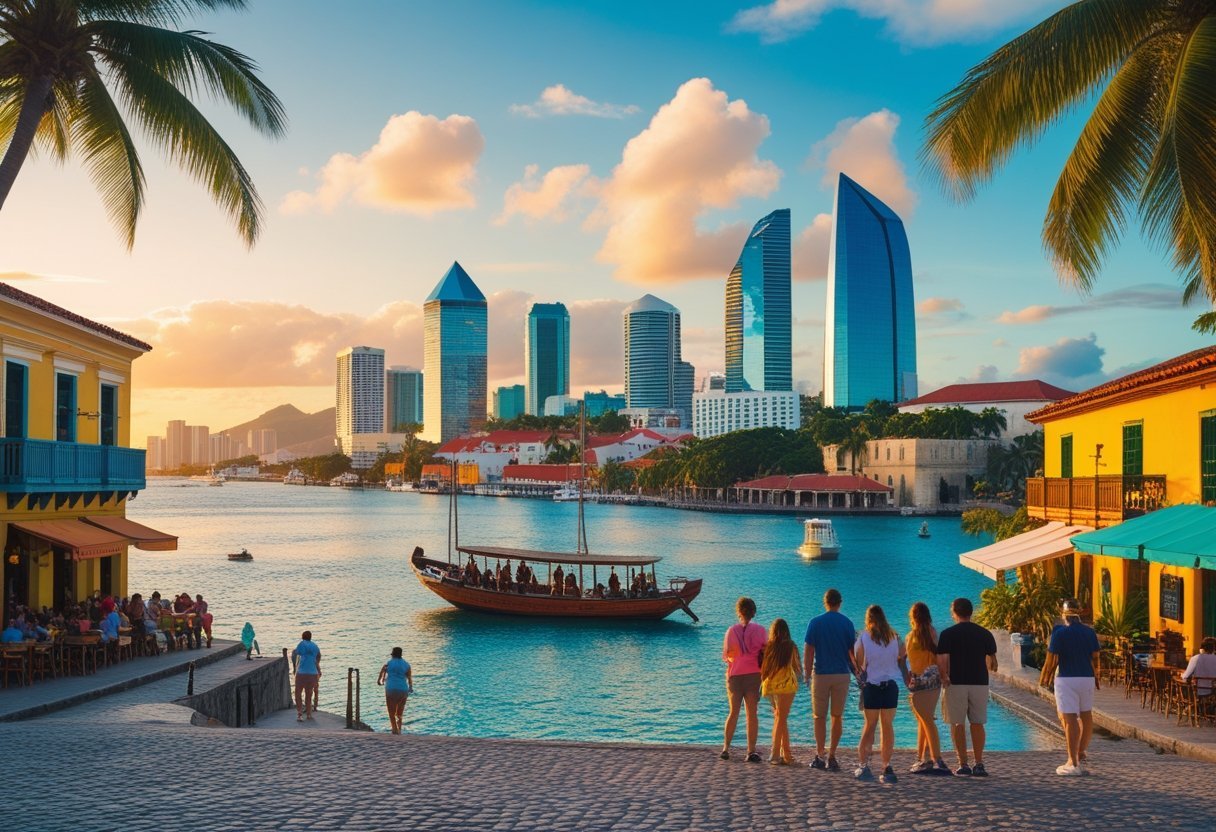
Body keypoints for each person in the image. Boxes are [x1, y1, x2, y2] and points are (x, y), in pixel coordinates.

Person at [935, 597, 997, 776]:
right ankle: (979, 763)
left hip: (956, 682)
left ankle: (963, 764)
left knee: (957, 723)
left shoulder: (947, 634)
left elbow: (942, 660)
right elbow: (993, 662)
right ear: (971, 612)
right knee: (977, 723)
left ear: (954, 613)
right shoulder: (984, 633)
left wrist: (944, 677)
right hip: (979, 682)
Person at [1039, 598, 1101, 775]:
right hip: (1086, 678)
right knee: (1087, 715)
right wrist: (1097, 677)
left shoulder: (1059, 632)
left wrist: (1044, 679)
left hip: (1067, 678)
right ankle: (1080, 753)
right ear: (1080, 613)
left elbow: (1051, 660)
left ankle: (1072, 762)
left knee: (1069, 719)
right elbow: (1095, 657)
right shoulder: (1089, 632)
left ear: (1063, 614)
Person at [853, 604, 909, 784]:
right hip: (890, 685)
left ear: (868, 620)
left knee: (869, 725)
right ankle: (886, 766)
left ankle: (863, 764)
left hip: (872, 685)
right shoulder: (895, 637)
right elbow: (902, 657)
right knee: (887, 726)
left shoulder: (863, 638)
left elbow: (861, 664)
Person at [803, 588, 856, 772]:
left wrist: (806, 673)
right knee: (837, 716)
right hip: (842, 674)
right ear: (839, 603)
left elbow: (809, 650)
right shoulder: (847, 623)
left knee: (819, 716)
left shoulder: (815, 622)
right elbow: (852, 652)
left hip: (821, 673)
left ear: (825, 602)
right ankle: (832, 756)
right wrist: (856, 672)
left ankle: (820, 754)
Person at [720, 596, 766, 763]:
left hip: (735, 676)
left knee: (733, 712)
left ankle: (726, 748)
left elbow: (727, 655)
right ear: (753, 612)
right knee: (751, 714)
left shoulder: (731, 631)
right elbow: (765, 650)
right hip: (754, 675)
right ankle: (751, 751)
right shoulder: (761, 630)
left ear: (739, 612)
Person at [905, 602, 949, 775]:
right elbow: (939, 657)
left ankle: (936, 759)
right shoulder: (932, 633)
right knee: (925, 720)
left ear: (913, 617)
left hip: (918, 682)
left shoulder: (912, 636)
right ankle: (924, 758)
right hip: (933, 681)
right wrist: (944, 675)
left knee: (926, 721)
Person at [760, 618, 802, 765]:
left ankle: (787, 754)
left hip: (771, 686)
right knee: (781, 719)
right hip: (786, 685)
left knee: (780, 718)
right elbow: (797, 668)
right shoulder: (791, 646)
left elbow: (764, 669)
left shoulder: (769, 647)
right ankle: (775, 753)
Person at [376, 646, 414, 735]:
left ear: (392, 654)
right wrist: (411, 687)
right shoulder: (406, 665)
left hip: (391, 688)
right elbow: (409, 678)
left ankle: (394, 730)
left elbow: (381, 674)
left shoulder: (388, 664)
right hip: (403, 689)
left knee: (391, 712)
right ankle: (399, 729)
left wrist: (379, 681)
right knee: (400, 711)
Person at [291, 630, 322, 721]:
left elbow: (295, 653)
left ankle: (300, 714)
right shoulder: (315, 646)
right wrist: (316, 665)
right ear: (310, 637)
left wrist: (294, 667)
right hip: (312, 673)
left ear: (303, 637)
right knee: (309, 694)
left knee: (298, 693)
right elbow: (319, 656)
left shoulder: (302, 644)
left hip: (302, 673)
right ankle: (309, 714)